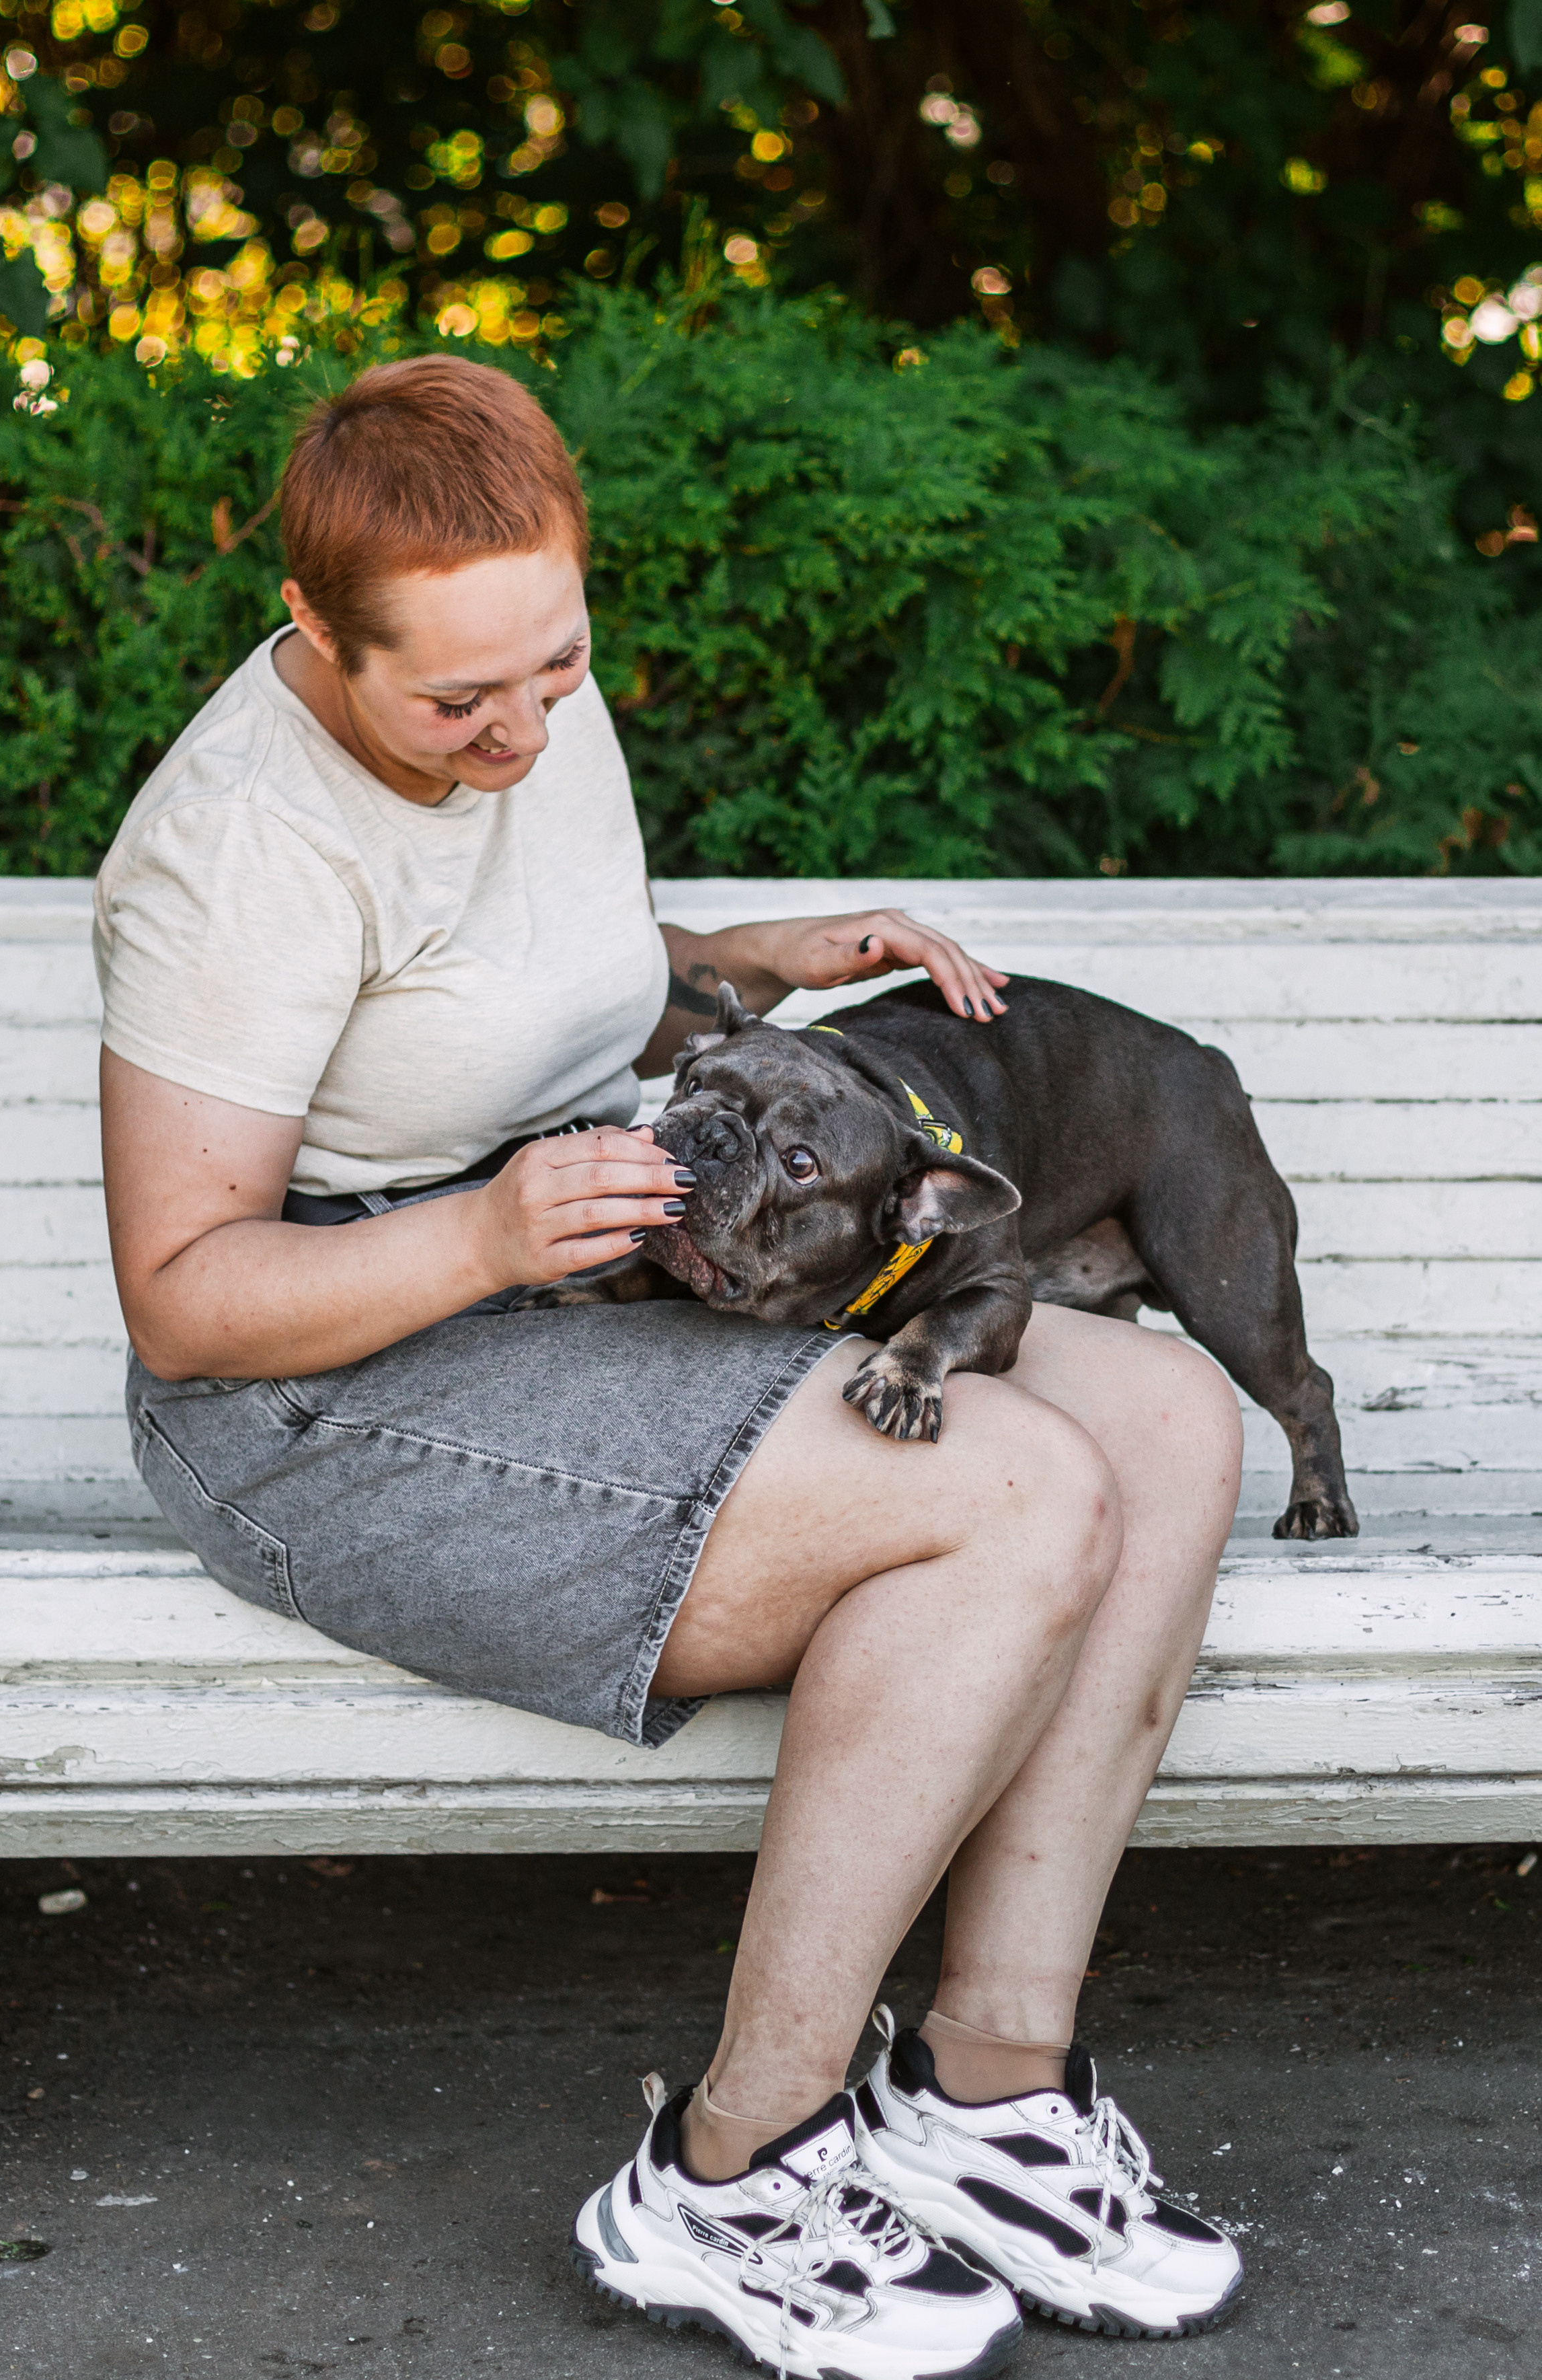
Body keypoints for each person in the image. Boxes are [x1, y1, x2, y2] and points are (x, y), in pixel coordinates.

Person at [95, 355, 1245, 2379]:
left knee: (1159, 1415)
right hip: (318, 1386)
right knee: (1010, 1491)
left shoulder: (523, 686)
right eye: (465, 702)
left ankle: (988, 2095)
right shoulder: (236, 854)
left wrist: (746, 962)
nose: (528, 728)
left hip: (583, 1249)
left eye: (562, 664)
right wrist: (478, 1230)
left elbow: (528, 977)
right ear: (312, 629)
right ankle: (734, 2163)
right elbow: (185, 1298)